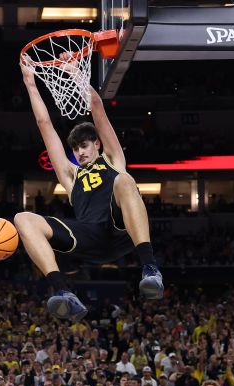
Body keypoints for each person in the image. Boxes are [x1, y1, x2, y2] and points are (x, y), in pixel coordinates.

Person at [15, 61, 163, 321]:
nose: (80, 152)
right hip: (89, 238)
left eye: (84, 145)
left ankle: (150, 268)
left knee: (124, 180)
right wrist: (30, 82)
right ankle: (63, 291)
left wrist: (76, 73)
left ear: (97, 144)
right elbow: (44, 124)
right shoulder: (71, 175)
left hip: (121, 230)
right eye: (76, 149)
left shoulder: (112, 159)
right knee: (22, 218)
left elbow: (96, 107)